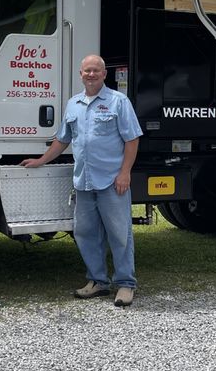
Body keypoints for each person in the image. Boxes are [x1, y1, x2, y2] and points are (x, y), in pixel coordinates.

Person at [21, 54, 143, 307]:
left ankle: (125, 285)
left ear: (104, 74)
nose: (91, 74)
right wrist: (41, 161)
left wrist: (125, 173)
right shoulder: (73, 104)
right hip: (84, 182)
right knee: (85, 233)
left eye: (96, 70)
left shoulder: (118, 102)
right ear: (80, 74)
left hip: (111, 181)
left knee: (119, 234)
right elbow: (63, 140)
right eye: (86, 71)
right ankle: (98, 281)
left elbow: (132, 139)